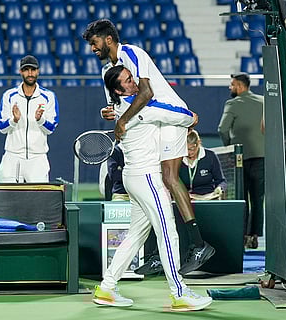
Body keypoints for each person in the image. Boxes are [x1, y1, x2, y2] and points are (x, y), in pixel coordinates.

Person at [82, 19, 215, 275]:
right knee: (155, 182)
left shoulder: (133, 53)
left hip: (169, 115)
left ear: (108, 39)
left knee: (168, 177)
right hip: (150, 119)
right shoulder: (105, 72)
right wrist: (111, 112)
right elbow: (119, 102)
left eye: (94, 43)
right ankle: (156, 253)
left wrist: (123, 119)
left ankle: (199, 244)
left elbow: (145, 94)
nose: (92, 48)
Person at [92, 65, 212, 311]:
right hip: (146, 178)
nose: (133, 82)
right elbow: (180, 115)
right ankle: (179, 292)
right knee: (168, 232)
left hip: (133, 178)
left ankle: (107, 287)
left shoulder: (120, 108)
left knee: (136, 234)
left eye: (131, 77)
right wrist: (192, 117)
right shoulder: (142, 107)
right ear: (117, 89)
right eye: (126, 81)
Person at [218, 73, 264, 249]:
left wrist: (229, 147)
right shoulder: (263, 101)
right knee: (258, 198)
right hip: (261, 156)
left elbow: (222, 129)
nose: (230, 88)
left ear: (239, 86)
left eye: (232, 85)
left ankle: (243, 234)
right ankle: (254, 235)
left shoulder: (232, 104)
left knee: (241, 198)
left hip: (240, 158)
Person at [0, 55, 59, 183]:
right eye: (26, 70)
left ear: (38, 71)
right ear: (20, 72)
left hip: (37, 157)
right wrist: (14, 120)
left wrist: (40, 120)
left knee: (39, 200)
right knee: (7, 199)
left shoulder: (48, 96)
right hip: (12, 156)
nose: (30, 73)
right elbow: (2, 128)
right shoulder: (9, 95)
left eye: (33, 70)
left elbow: (51, 128)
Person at [180, 129, 227, 200]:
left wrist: (220, 188)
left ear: (198, 143)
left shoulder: (210, 156)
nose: (189, 152)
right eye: (186, 149)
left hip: (208, 196)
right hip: (185, 198)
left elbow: (221, 181)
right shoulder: (178, 159)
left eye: (192, 148)